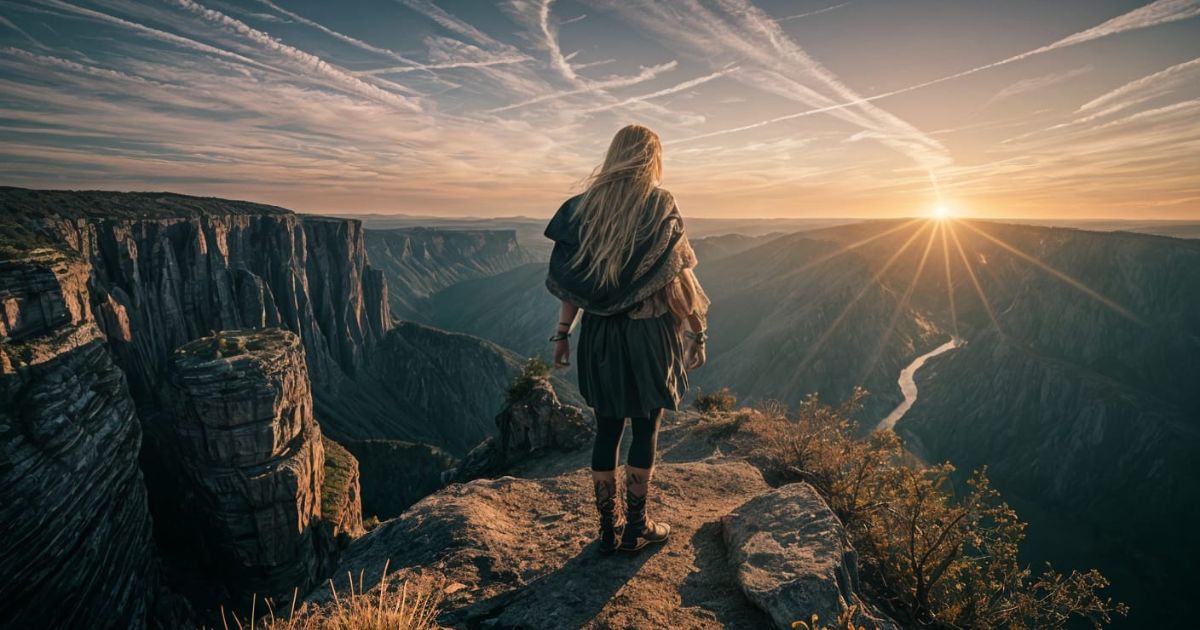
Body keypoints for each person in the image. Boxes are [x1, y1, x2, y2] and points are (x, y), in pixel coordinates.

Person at [543, 124, 709, 554]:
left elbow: (572, 285)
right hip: (650, 334)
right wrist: (697, 331)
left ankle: (606, 530)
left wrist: (563, 335)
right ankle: (637, 527)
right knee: (645, 427)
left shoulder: (583, 209)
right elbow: (679, 278)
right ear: (652, 158)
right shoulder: (659, 205)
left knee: (607, 428)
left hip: (599, 335)